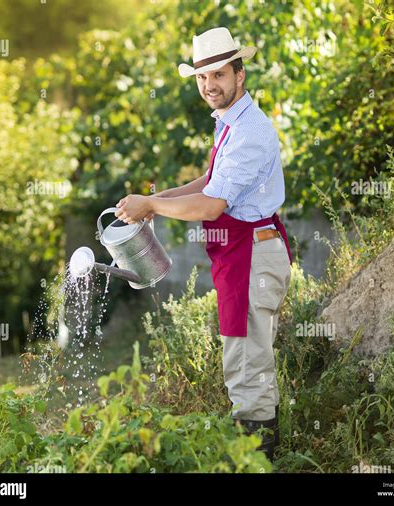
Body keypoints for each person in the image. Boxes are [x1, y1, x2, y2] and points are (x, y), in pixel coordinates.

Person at [115, 27, 292, 461]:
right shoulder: (231, 122)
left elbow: (212, 206)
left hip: (253, 254)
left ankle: (258, 462)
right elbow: (210, 183)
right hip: (243, 256)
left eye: (219, 75)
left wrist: (151, 204)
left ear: (240, 74)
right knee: (246, 361)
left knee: (247, 368)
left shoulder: (249, 132)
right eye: (201, 78)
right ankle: (256, 457)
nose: (210, 85)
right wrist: (157, 203)